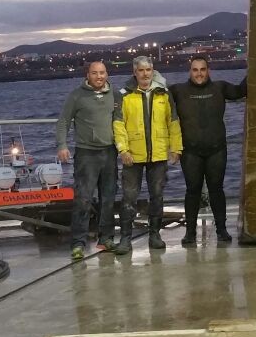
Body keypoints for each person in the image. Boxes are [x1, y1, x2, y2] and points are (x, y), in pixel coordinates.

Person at [170, 55, 246, 245]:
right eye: (195, 70)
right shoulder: (178, 91)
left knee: (217, 190)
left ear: (208, 70)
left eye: (202, 69)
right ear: (190, 71)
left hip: (216, 150)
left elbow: (241, 91)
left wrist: (255, 67)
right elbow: (153, 94)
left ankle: (221, 229)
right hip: (191, 152)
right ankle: (190, 232)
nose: (199, 74)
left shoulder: (219, 87)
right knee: (192, 191)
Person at [112, 56, 182, 252]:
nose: (145, 74)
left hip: (158, 155)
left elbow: (173, 122)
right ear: (135, 72)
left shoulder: (164, 94)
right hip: (132, 156)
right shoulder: (124, 95)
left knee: (157, 196)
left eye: (148, 70)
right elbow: (118, 124)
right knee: (129, 197)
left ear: (153, 71)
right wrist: (123, 149)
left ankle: (155, 235)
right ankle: (125, 238)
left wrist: (176, 148)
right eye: (141, 70)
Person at [56, 60, 117, 260]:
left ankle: (106, 238)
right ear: (87, 75)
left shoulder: (115, 95)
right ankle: (78, 243)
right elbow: (64, 120)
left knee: (108, 198)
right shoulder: (76, 96)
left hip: (110, 152)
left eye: (102, 73)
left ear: (106, 74)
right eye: (94, 73)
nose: (99, 76)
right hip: (86, 154)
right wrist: (62, 145)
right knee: (83, 199)